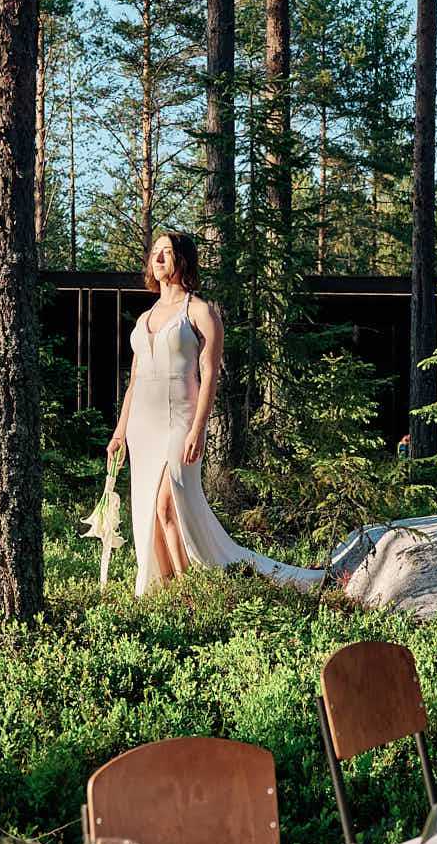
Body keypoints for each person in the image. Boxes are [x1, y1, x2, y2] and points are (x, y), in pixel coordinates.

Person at [105, 231, 325, 597]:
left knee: (167, 506)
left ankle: (190, 592)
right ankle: (167, 588)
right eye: (155, 252)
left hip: (180, 422)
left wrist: (198, 429)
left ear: (184, 261)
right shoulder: (144, 317)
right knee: (150, 512)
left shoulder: (200, 312)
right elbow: (134, 382)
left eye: (167, 252)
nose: (158, 259)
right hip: (141, 426)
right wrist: (119, 434)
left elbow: (209, 376)